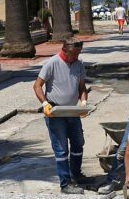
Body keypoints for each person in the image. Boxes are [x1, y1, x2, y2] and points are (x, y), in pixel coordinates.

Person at [33, 38, 90, 194]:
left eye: (79, 53)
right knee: (61, 149)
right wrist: (45, 104)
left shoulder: (78, 64)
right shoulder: (52, 63)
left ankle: (76, 175)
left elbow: (82, 87)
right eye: (74, 53)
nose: (77, 56)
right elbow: (37, 86)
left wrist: (83, 102)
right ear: (65, 50)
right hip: (56, 112)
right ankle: (65, 184)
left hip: (72, 111)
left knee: (78, 143)